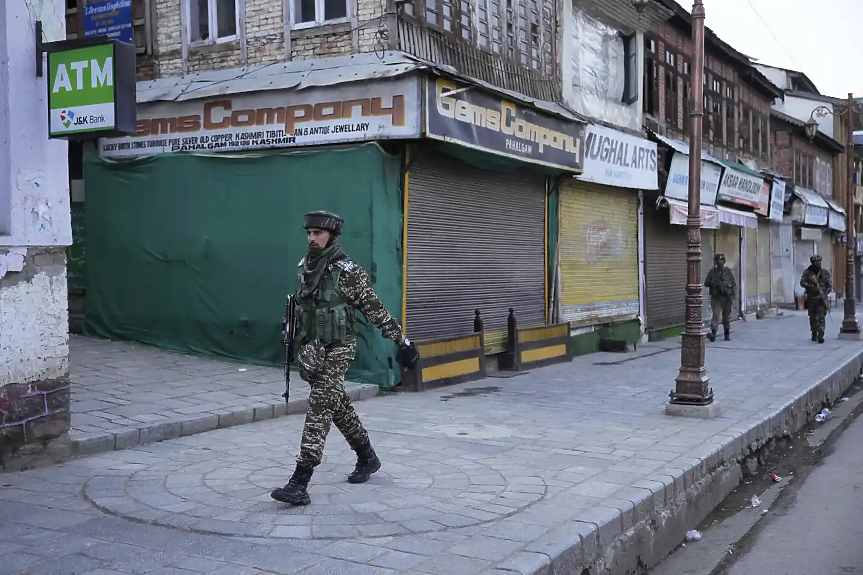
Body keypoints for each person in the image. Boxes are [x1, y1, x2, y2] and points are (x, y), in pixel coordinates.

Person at [271, 210, 420, 506]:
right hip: (313, 350)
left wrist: (401, 341)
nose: (312, 238)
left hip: (340, 348)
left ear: (333, 237)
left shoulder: (348, 272)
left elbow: (375, 309)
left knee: (320, 403)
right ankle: (367, 457)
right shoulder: (303, 268)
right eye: (309, 233)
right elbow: (301, 308)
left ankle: (299, 481)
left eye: (318, 234)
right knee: (335, 403)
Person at [704, 253, 737, 342]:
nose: (719, 262)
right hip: (716, 297)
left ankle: (727, 333)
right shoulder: (712, 272)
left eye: (721, 260)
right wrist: (712, 282)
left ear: (724, 261)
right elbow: (706, 283)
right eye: (718, 260)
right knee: (716, 316)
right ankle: (713, 334)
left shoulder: (728, 272)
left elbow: (733, 284)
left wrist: (733, 295)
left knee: (726, 317)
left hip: (727, 298)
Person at [800, 254, 832, 344]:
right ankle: (814, 333)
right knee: (812, 317)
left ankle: (820, 335)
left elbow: (829, 285)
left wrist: (825, 292)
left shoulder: (825, 273)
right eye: (816, 262)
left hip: (821, 300)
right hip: (811, 299)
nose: (818, 263)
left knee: (821, 317)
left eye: (819, 262)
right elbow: (802, 283)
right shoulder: (808, 273)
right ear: (813, 263)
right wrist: (811, 286)